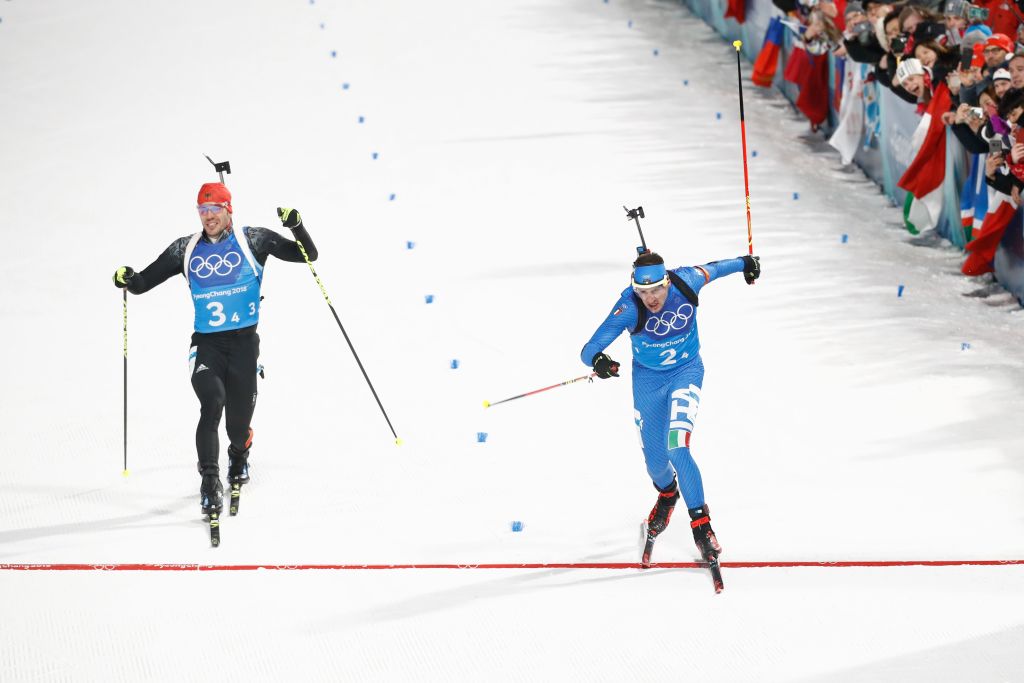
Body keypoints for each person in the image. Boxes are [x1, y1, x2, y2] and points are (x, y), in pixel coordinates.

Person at [112, 182, 318, 516]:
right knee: (212, 403)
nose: (208, 217)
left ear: (228, 210)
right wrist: (129, 278)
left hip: (244, 346)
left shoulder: (253, 240)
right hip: (207, 345)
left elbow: (307, 255)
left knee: (237, 428)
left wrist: (296, 225)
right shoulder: (185, 249)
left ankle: (239, 454)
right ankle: (209, 481)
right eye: (202, 210)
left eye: (214, 210)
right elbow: (143, 283)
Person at [579, 250, 761, 564]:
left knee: (677, 446)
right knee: (655, 463)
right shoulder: (629, 306)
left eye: (656, 290)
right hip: (648, 383)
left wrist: (746, 263)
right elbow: (589, 348)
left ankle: (702, 526)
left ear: (666, 282)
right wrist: (600, 361)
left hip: (686, 372)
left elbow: (715, 269)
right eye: (643, 292)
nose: (651, 299)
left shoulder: (686, 280)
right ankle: (667, 495)